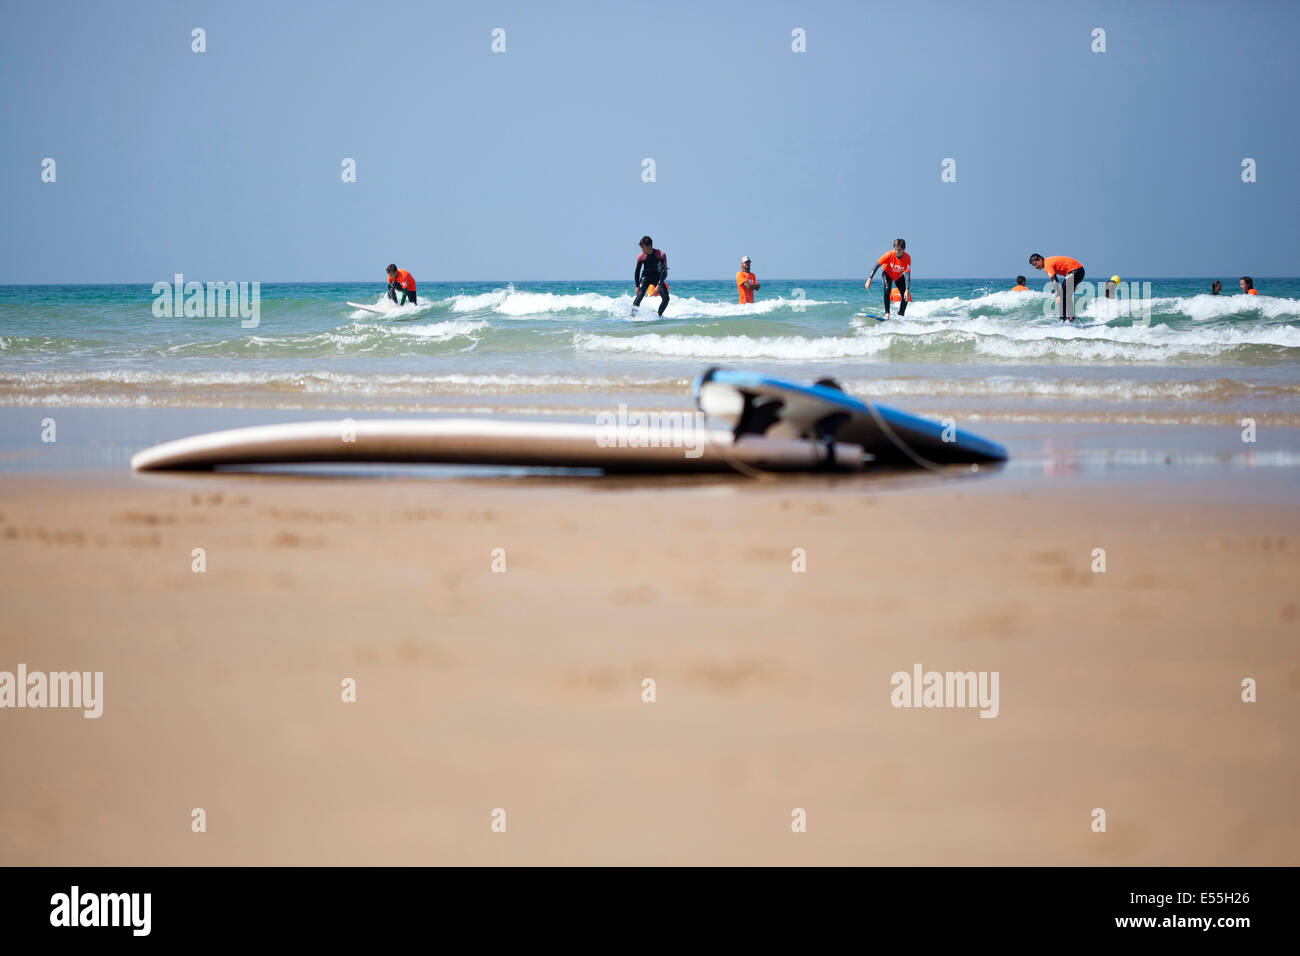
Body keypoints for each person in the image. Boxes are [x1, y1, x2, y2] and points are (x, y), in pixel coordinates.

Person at [1029, 253, 1084, 322]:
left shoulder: (1047, 265)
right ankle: (1071, 318)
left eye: (1036, 264)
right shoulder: (1048, 261)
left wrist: (1058, 296)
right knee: (1067, 296)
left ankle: (1062, 320)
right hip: (1079, 271)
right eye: (1034, 266)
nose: (1036, 267)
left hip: (1075, 271)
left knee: (1061, 295)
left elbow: (1055, 280)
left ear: (1040, 259)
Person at [865, 239, 911, 317]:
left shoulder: (907, 258)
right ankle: (887, 313)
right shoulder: (889, 255)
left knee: (906, 295)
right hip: (887, 274)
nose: (896, 251)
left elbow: (907, 274)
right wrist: (869, 279)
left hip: (898, 276)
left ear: (904, 249)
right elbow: (876, 266)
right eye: (895, 249)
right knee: (887, 288)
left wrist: (907, 289)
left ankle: (901, 314)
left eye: (899, 250)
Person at [632, 236, 669, 316]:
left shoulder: (661, 255)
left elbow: (664, 271)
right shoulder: (641, 257)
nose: (642, 250)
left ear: (649, 246)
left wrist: (659, 285)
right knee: (639, 296)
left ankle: (658, 315)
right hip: (646, 277)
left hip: (657, 278)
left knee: (666, 298)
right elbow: (637, 272)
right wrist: (637, 286)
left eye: (643, 247)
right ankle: (632, 316)